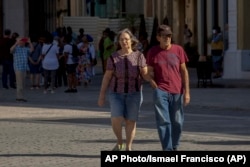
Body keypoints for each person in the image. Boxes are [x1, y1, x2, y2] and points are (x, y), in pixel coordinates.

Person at [98, 28, 151, 151]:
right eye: (121, 40)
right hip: (116, 92)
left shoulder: (139, 56)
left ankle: (128, 147)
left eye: (126, 39)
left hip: (134, 93)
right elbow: (107, 76)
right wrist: (102, 95)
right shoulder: (113, 57)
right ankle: (120, 141)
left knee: (130, 120)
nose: (124, 42)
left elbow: (145, 74)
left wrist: (153, 78)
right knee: (116, 117)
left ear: (131, 41)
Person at [146, 24, 190, 151]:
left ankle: (175, 146)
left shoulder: (178, 50)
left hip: (177, 90)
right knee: (163, 121)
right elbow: (149, 71)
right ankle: (168, 149)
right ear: (158, 37)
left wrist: (187, 92)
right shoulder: (153, 52)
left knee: (177, 121)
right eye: (164, 36)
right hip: (161, 91)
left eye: (169, 36)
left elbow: (184, 71)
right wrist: (151, 81)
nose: (167, 38)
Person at [10, 37, 34, 102]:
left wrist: (29, 42)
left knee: (23, 83)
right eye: (21, 41)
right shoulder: (16, 49)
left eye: (23, 42)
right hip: (18, 67)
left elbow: (31, 50)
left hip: (24, 67)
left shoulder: (25, 49)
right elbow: (11, 50)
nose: (22, 43)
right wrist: (16, 43)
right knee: (19, 83)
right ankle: (19, 97)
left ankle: (21, 96)